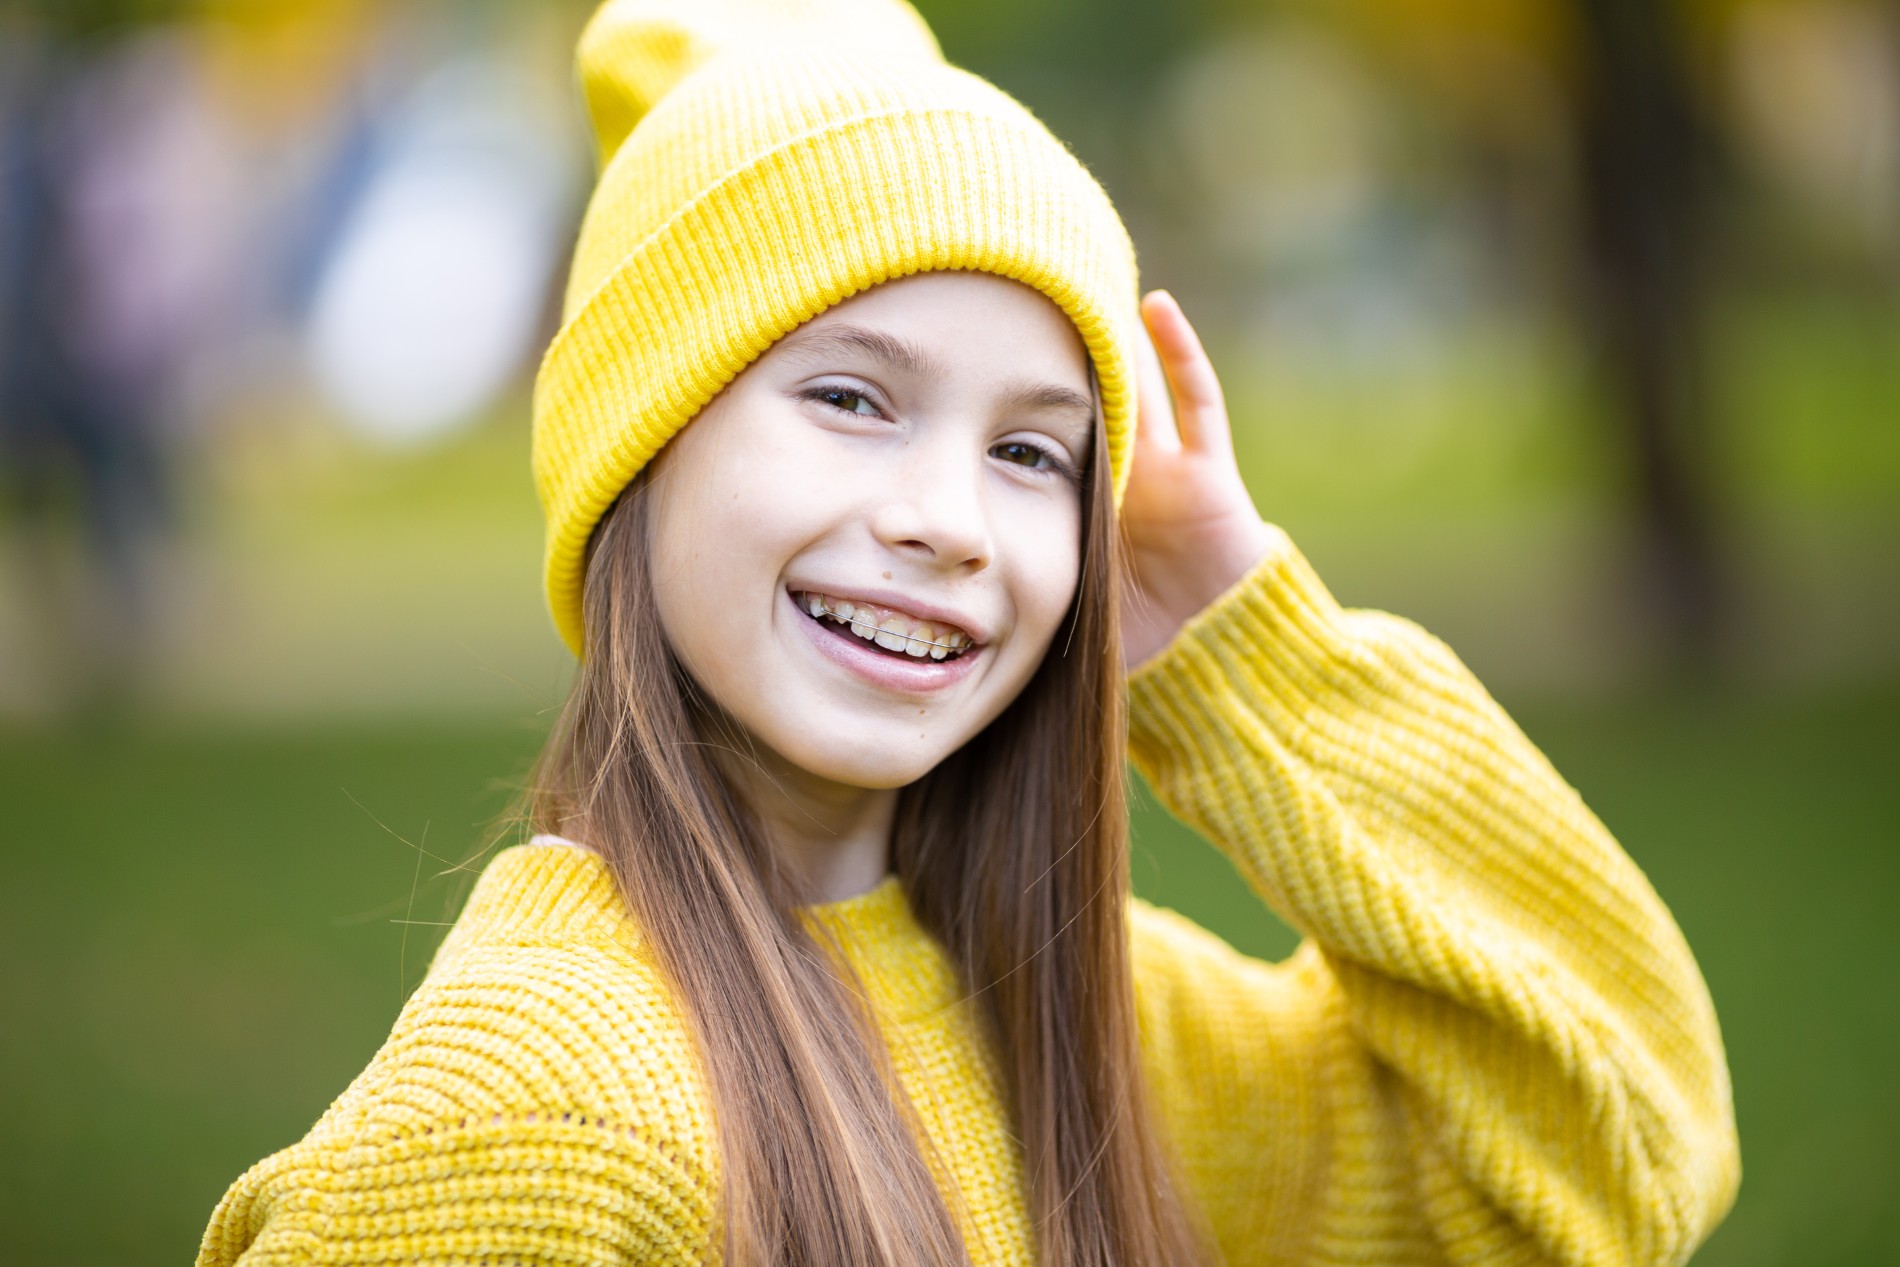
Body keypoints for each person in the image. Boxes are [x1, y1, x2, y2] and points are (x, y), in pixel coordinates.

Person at [197, 1, 1740, 1263]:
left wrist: (1243, 643)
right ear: (638, 444)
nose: (947, 517)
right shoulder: (533, 1116)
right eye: (853, 398)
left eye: (1031, 451)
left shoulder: (1085, 1017)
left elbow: (1613, 1156)